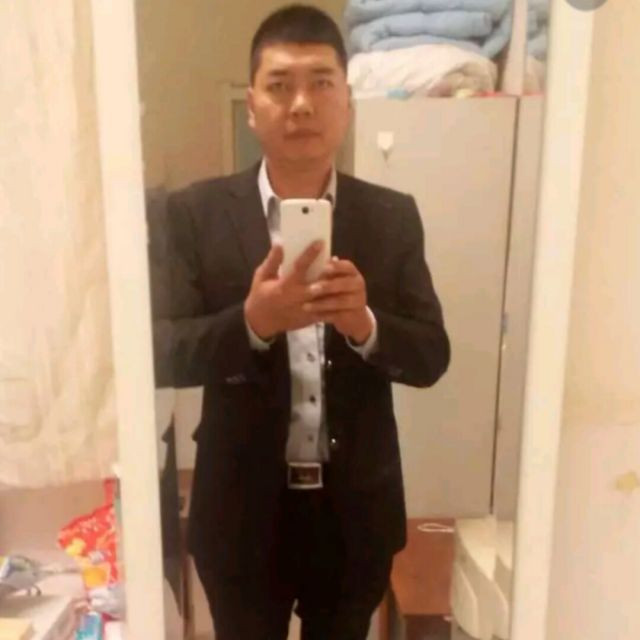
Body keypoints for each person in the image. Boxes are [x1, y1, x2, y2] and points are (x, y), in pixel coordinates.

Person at [149, 5, 450, 639]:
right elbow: (159, 351)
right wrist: (251, 323)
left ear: (347, 102)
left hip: (354, 514)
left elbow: (431, 355)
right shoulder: (194, 215)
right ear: (252, 106)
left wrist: (365, 324)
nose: (301, 104)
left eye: (321, 83)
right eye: (280, 85)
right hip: (239, 514)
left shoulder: (391, 217)